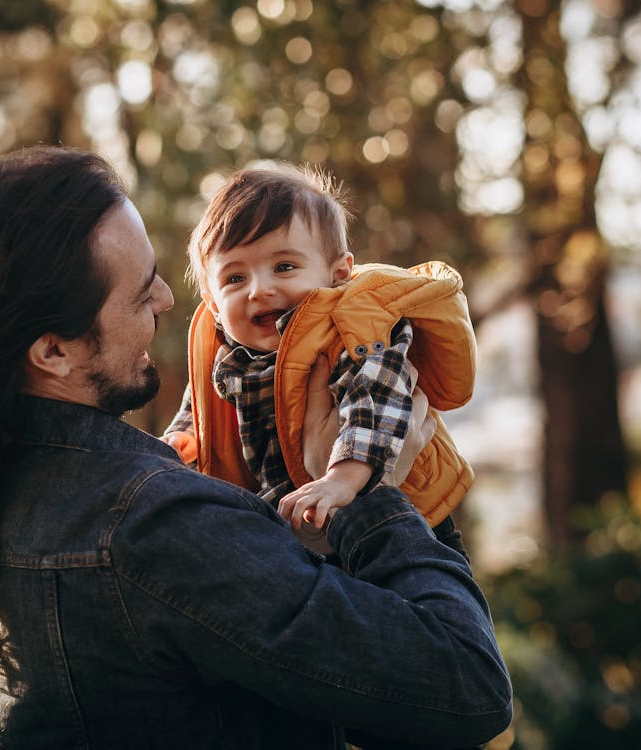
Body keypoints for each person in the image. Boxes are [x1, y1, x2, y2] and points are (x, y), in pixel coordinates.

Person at [0, 146, 511, 749]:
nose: (167, 300)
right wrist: (375, 498)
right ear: (52, 350)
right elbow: (467, 689)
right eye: (140, 292)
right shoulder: (159, 528)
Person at [161, 165, 476, 551]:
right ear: (212, 302)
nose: (259, 290)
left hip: (406, 515)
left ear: (338, 273)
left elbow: (376, 401)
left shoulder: (354, 326)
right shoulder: (228, 353)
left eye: (284, 267)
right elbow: (202, 406)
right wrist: (184, 438)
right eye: (235, 278)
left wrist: (341, 480)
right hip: (304, 517)